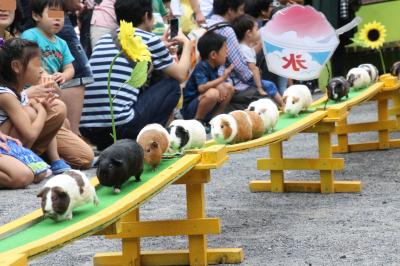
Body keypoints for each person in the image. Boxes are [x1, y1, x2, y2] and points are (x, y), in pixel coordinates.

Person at [80, 0, 192, 151]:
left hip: (90, 131)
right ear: (147, 16)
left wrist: (158, 44)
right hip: (122, 127)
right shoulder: (149, 39)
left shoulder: (104, 40)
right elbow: (180, 75)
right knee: (171, 85)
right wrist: (188, 45)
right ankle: (151, 140)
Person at [0, 38, 71, 174]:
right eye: (38, 64)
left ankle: (28, 159)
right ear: (16, 67)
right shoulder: (6, 95)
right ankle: (21, 161)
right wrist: (42, 111)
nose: (41, 70)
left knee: (49, 108)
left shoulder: (18, 93)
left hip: (11, 142)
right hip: (4, 145)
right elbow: (30, 134)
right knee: (31, 112)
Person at [207, 0, 265, 111]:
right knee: (265, 99)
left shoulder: (207, 24)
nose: (242, 14)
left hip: (209, 80)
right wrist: (253, 78)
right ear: (230, 11)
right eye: (241, 10)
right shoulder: (226, 29)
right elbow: (238, 65)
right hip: (226, 84)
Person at [182, 32, 235, 126]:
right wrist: (222, 79)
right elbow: (202, 88)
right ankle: (197, 122)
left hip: (203, 103)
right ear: (213, 55)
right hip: (190, 109)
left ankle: (215, 120)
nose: (227, 52)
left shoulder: (215, 65)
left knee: (229, 88)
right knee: (213, 93)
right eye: (225, 49)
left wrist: (220, 84)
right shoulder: (202, 66)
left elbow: (213, 81)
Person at [232, 14, 284, 108]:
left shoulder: (242, 47)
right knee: (270, 85)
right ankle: (282, 104)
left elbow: (252, 56)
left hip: (243, 81)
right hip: (250, 81)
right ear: (249, 33)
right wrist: (259, 88)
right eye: (256, 29)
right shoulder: (246, 49)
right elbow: (253, 69)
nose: (258, 32)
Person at [21, 0, 75, 86]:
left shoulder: (62, 43)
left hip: (51, 89)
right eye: (52, 12)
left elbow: (69, 68)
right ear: (36, 16)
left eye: (61, 14)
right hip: (30, 89)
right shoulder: (30, 35)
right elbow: (27, 60)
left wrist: (64, 75)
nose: (57, 18)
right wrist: (44, 75)